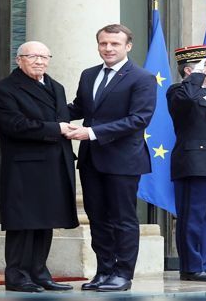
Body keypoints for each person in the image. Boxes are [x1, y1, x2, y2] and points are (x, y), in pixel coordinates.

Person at [67, 24, 156, 292]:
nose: (108, 48)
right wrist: (42, 109)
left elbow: (139, 119)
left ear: (128, 46)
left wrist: (92, 132)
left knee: (123, 218)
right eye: (103, 43)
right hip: (92, 159)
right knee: (97, 218)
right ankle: (104, 271)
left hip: (123, 160)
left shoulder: (142, 78)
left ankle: (123, 274)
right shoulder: (89, 74)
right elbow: (79, 108)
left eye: (115, 44)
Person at [0, 41, 79, 293]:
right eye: (32, 56)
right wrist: (57, 129)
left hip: (55, 163)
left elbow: (63, 116)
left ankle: (39, 273)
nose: (39, 61)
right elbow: (14, 125)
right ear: (19, 60)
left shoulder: (56, 87)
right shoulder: (2, 89)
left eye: (44, 56)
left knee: (46, 221)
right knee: (23, 223)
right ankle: (17, 275)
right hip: (25, 167)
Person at [166, 44, 206, 282]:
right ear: (188, 71)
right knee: (192, 217)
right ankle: (192, 267)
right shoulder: (178, 91)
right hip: (194, 164)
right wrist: (196, 76)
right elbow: (184, 101)